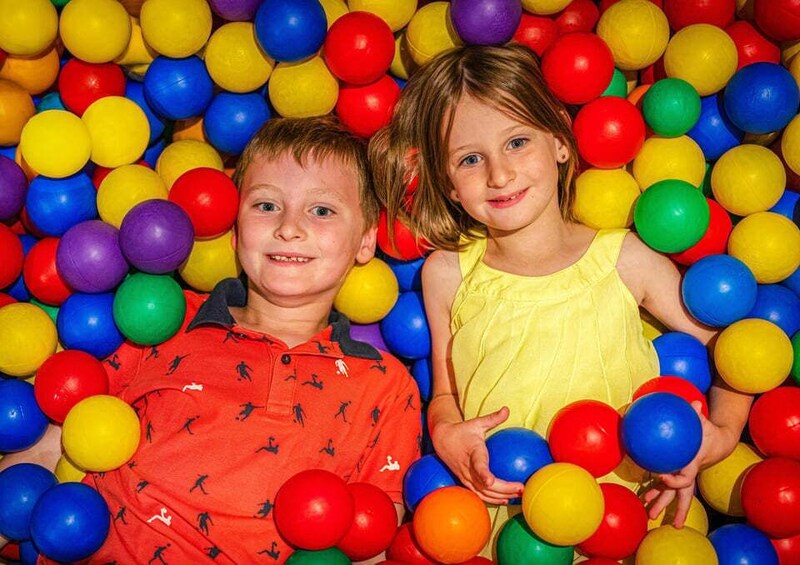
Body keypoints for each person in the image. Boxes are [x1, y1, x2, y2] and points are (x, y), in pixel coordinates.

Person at [370, 43, 752, 555]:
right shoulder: (449, 274)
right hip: (500, 523)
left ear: (560, 143)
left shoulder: (623, 259)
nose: (499, 175)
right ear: (449, 186)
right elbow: (444, 394)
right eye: (470, 159)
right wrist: (447, 436)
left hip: (619, 520)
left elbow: (736, 349)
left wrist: (721, 435)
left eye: (518, 142)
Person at [0, 116, 421, 563]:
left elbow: (372, 538)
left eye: (322, 210)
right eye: (266, 206)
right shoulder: (163, 318)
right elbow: (63, 433)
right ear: (236, 233)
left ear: (366, 240)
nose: (289, 227)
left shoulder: (386, 386)